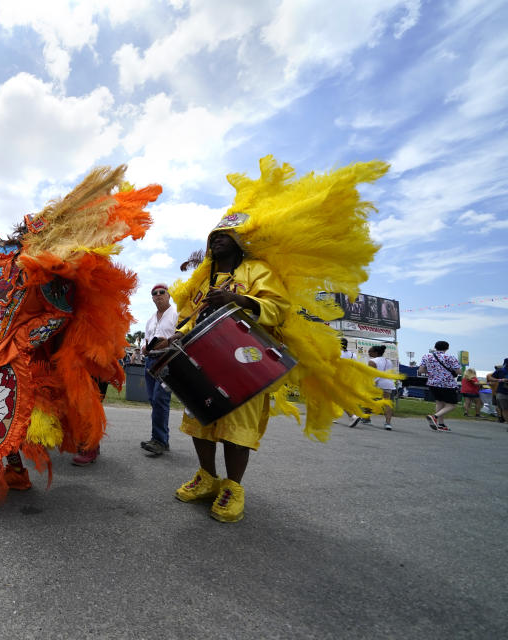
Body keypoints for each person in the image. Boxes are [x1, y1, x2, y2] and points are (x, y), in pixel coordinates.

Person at [168, 155, 392, 523]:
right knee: (200, 421)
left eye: (225, 236)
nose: (218, 240)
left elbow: (279, 309)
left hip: (244, 362)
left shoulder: (258, 270)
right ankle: (206, 478)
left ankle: (232, 487)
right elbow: (187, 317)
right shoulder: (201, 278)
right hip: (204, 364)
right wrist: (171, 338)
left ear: (240, 241)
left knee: (238, 429)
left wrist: (240, 300)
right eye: (214, 236)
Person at [0, 165, 161, 511]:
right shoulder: (5, 251)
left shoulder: (51, 270)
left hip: (15, 355)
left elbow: (60, 314)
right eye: (23, 226)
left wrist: (22, 340)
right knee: (1, 413)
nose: (24, 231)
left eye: (31, 228)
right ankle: (16, 475)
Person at [140, 283, 179, 456]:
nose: (158, 295)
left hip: (166, 359)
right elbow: (145, 339)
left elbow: (183, 334)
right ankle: (160, 439)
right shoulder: (150, 319)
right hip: (150, 360)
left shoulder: (176, 314)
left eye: (162, 292)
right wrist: (144, 347)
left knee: (160, 399)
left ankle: (160, 440)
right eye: (154, 293)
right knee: (153, 400)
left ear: (169, 295)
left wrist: (169, 340)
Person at [418, 341, 461, 432]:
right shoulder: (450, 357)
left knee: (439, 403)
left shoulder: (426, 356)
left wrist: (433, 372)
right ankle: (435, 417)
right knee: (452, 405)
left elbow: (421, 370)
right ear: (447, 348)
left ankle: (441, 424)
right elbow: (458, 372)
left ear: (435, 347)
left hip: (432, 383)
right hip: (447, 384)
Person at [367, 344, 396, 430]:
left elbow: (370, 374)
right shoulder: (389, 361)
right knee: (387, 403)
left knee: (368, 399)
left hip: (377, 383)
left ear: (375, 352)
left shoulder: (372, 361)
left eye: (370, 351)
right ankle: (388, 423)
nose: (368, 353)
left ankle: (367, 418)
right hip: (388, 383)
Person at [489, 359, 508, 426]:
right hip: (501, 393)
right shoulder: (500, 371)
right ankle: (502, 419)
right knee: (504, 409)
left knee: (503, 409)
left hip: (500, 393)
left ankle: (501, 418)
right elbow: (490, 379)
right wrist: (500, 380)